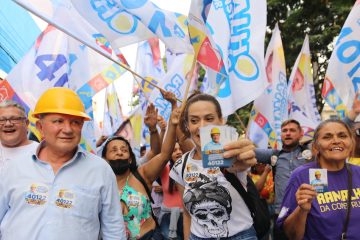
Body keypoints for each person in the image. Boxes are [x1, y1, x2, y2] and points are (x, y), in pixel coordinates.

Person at [0, 87, 126, 240]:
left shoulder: (100, 171)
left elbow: (113, 229)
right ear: (40, 127)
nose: (67, 129)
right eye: (58, 121)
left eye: (75, 122)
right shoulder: (15, 167)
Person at [170, 93, 258, 240]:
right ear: (187, 125)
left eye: (209, 119)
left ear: (221, 121)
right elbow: (187, 213)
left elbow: (240, 163)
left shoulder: (231, 155)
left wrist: (244, 155)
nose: (202, 126)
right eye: (194, 120)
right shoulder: (180, 165)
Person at [102, 102, 180, 240]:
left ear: (131, 159)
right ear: (104, 159)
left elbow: (164, 154)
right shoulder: (98, 184)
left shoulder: (142, 175)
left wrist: (170, 125)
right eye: (113, 150)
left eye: (124, 150)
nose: (119, 152)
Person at [277, 119, 360, 240]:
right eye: (327, 137)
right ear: (316, 146)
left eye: (342, 136)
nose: (336, 141)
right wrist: (302, 210)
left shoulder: (358, 172)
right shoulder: (301, 176)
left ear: (351, 142)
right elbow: (291, 235)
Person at [256, 119, 312, 240]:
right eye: (284, 130)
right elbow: (248, 152)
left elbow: (330, 138)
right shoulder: (273, 155)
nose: (287, 133)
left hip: (308, 213)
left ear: (301, 134)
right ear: (280, 134)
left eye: (292, 130)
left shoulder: (311, 152)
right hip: (281, 213)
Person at [0, 100, 38, 173]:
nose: (8, 124)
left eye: (14, 119)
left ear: (26, 123)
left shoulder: (41, 153)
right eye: (2, 120)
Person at [159, 142, 184, 240]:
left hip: (187, 215)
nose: (178, 152)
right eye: (174, 150)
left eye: (180, 149)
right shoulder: (164, 169)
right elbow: (158, 154)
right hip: (167, 216)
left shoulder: (191, 169)